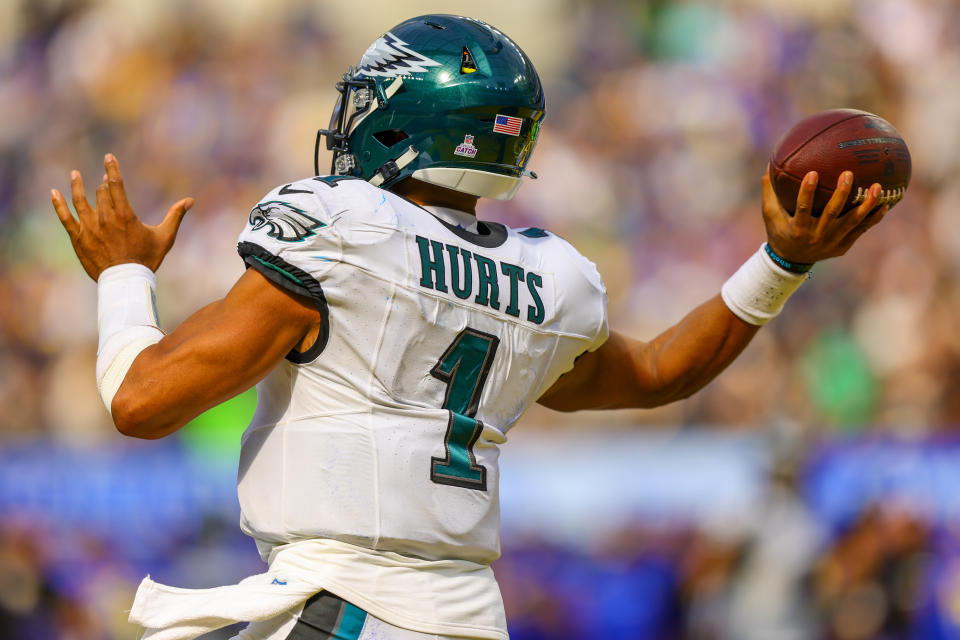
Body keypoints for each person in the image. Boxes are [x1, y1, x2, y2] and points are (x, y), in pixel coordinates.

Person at [50, 14, 889, 640]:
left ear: (405, 122)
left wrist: (123, 274)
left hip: (345, 608)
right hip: (469, 620)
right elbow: (662, 372)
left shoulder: (342, 227)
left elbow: (140, 400)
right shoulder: (545, 273)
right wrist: (780, 262)